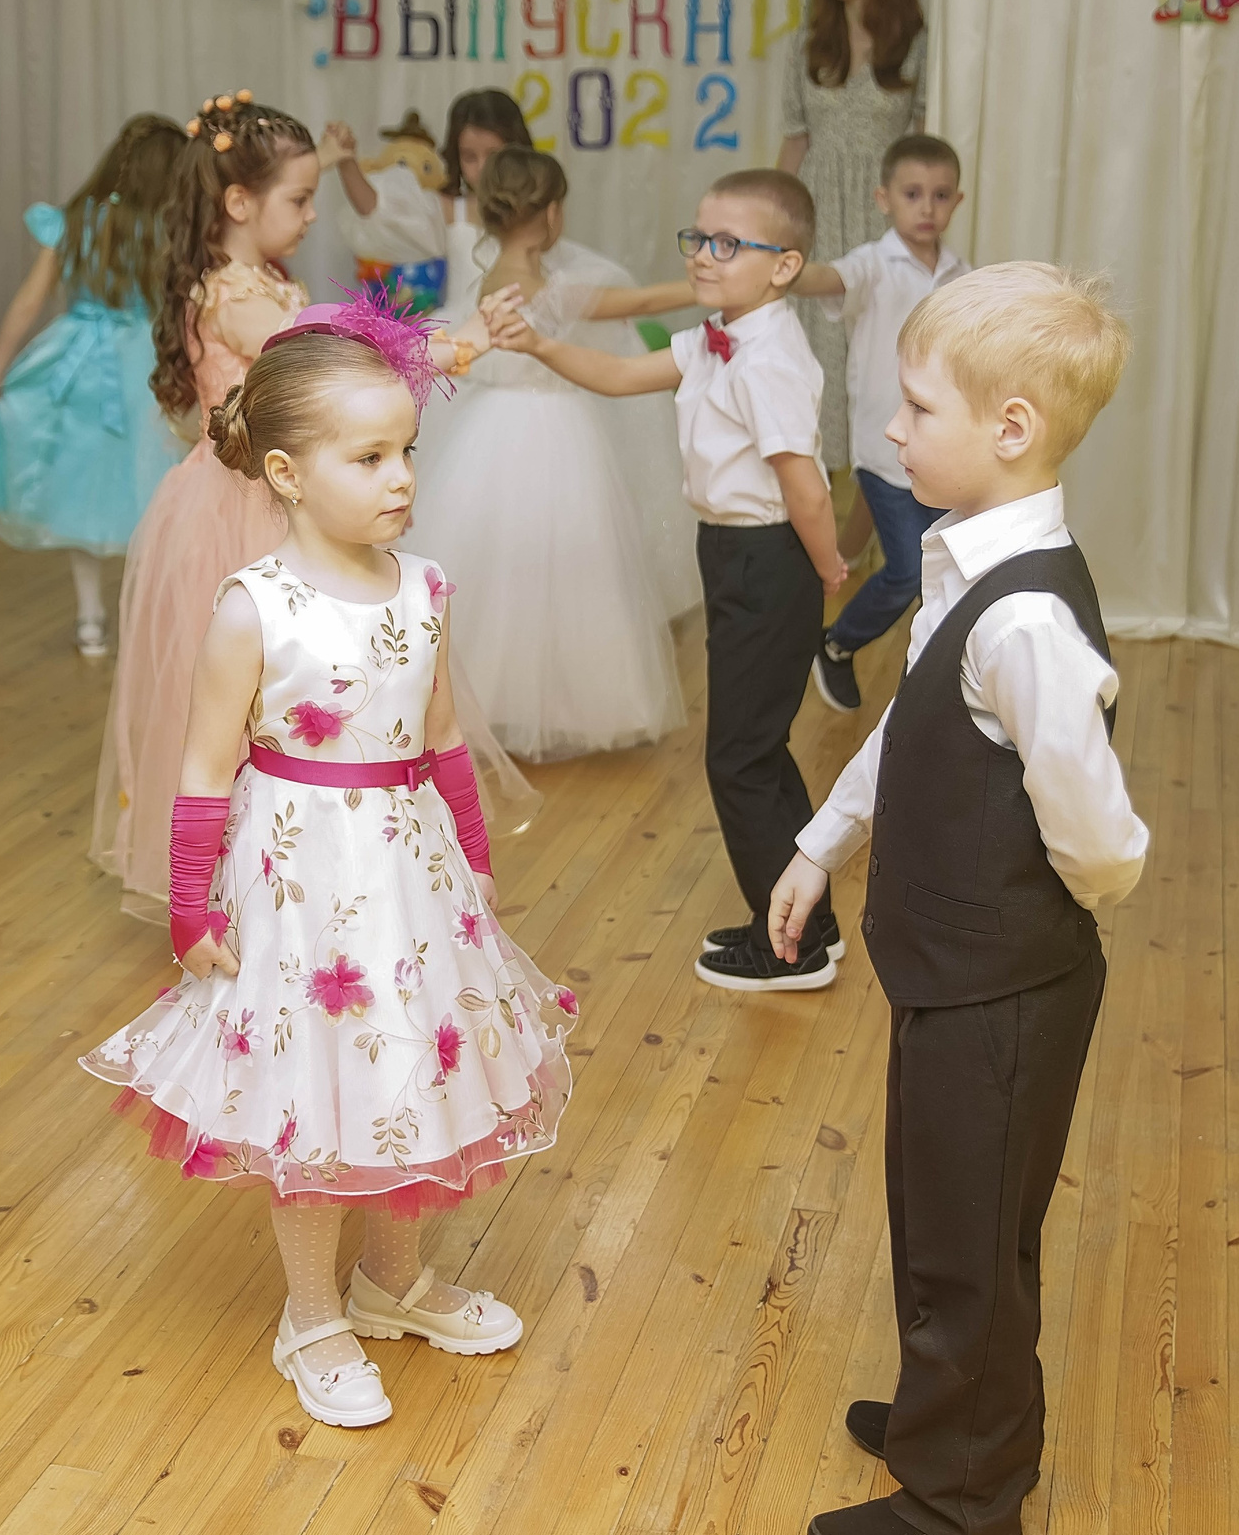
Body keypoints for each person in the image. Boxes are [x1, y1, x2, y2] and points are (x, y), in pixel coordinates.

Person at [81, 306, 575, 1429]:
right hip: (300, 887)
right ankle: (311, 1315)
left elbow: (442, 736)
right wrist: (191, 906)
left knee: (410, 1069)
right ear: (287, 475)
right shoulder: (255, 607)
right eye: (369, 458)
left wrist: (475, 859)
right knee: (312, 1094)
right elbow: (202, 767)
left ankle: (392, 1282)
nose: (401, 478)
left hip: (409, 882)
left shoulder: (424, 588)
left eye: (408, 452)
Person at [763, 262, 1146, 1535]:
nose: (892, 429)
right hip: (956, 968)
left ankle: (964, 1493)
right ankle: (957, 1410)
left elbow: (1096, 826)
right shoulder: (968, 564)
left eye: (916, 408)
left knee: (973, 1238)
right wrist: (823, 841)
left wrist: (1062, 911)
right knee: (941, 1211)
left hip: (1005, 982)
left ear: (1011, 427)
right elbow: (910, 729)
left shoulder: (1024, 614)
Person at [92, 94, 531, 923]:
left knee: (319, 682)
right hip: (240, 510)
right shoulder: (233, 295)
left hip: (289, 495)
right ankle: (242, 881)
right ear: (238, 202)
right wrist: (465, 337)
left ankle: (317, 850)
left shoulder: (263, 279)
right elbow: (343, 355)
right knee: (244, 696)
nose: (312, 213)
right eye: (298, 198)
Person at [487, 169, 849, 991]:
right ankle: (808, 922)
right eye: (698, 238)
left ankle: (788, 947)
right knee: (758, 752)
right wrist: (540, 345)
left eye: (727, 243)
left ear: (784, 266)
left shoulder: (768, 361)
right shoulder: (723, 335)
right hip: (734, 552)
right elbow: (621, 377)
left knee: (738, 761)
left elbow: (805, 486)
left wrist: (828, 564)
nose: (703, 255)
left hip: (768, 555)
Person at [403, 147, 692, 759]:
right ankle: (556, 703)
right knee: (561, 565)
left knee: (502, 566)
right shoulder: (541, 288)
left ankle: (491, 698)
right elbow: (638, 304)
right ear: (553, 213)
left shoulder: (492, 277)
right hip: (554, 429)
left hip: (492, 428)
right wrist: (704, 285)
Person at [0, 114, 183, 657]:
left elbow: (30, 300)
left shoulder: (74, 220)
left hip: (75, 362)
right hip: (144, 366)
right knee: (149, 486)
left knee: (79, 489)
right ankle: (147, 616)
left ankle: (90, 617)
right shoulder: (168, 230)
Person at [787, 133, 969, 711]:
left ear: (958, 201)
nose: (927, 207)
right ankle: (836, 644)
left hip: (943, 451)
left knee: (950, 569)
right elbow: (827, 279)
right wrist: (780, 269)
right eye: (912, 194)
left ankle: (945, 681)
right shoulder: (872, 264)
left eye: (940, 195)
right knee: (909, 570)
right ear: (883, 198)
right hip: (883, 449)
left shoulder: (963, 273)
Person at [778, 0, 928, 530]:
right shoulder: (809, 44)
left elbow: (922, 141)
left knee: (882, 368)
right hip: (819, 217)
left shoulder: (915, 41)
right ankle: (822, 532)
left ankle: (874, 531)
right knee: (819, 364)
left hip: (883, 219)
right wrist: (774, 229)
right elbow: (795, 140)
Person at [324, 88, 533, 326]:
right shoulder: (451, 210)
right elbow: (376, 211)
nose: (482, 168)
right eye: (469, 157)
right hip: (463, 334)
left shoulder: (538, 206)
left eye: (493, 154)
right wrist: (347, 161)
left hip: (524, 330)